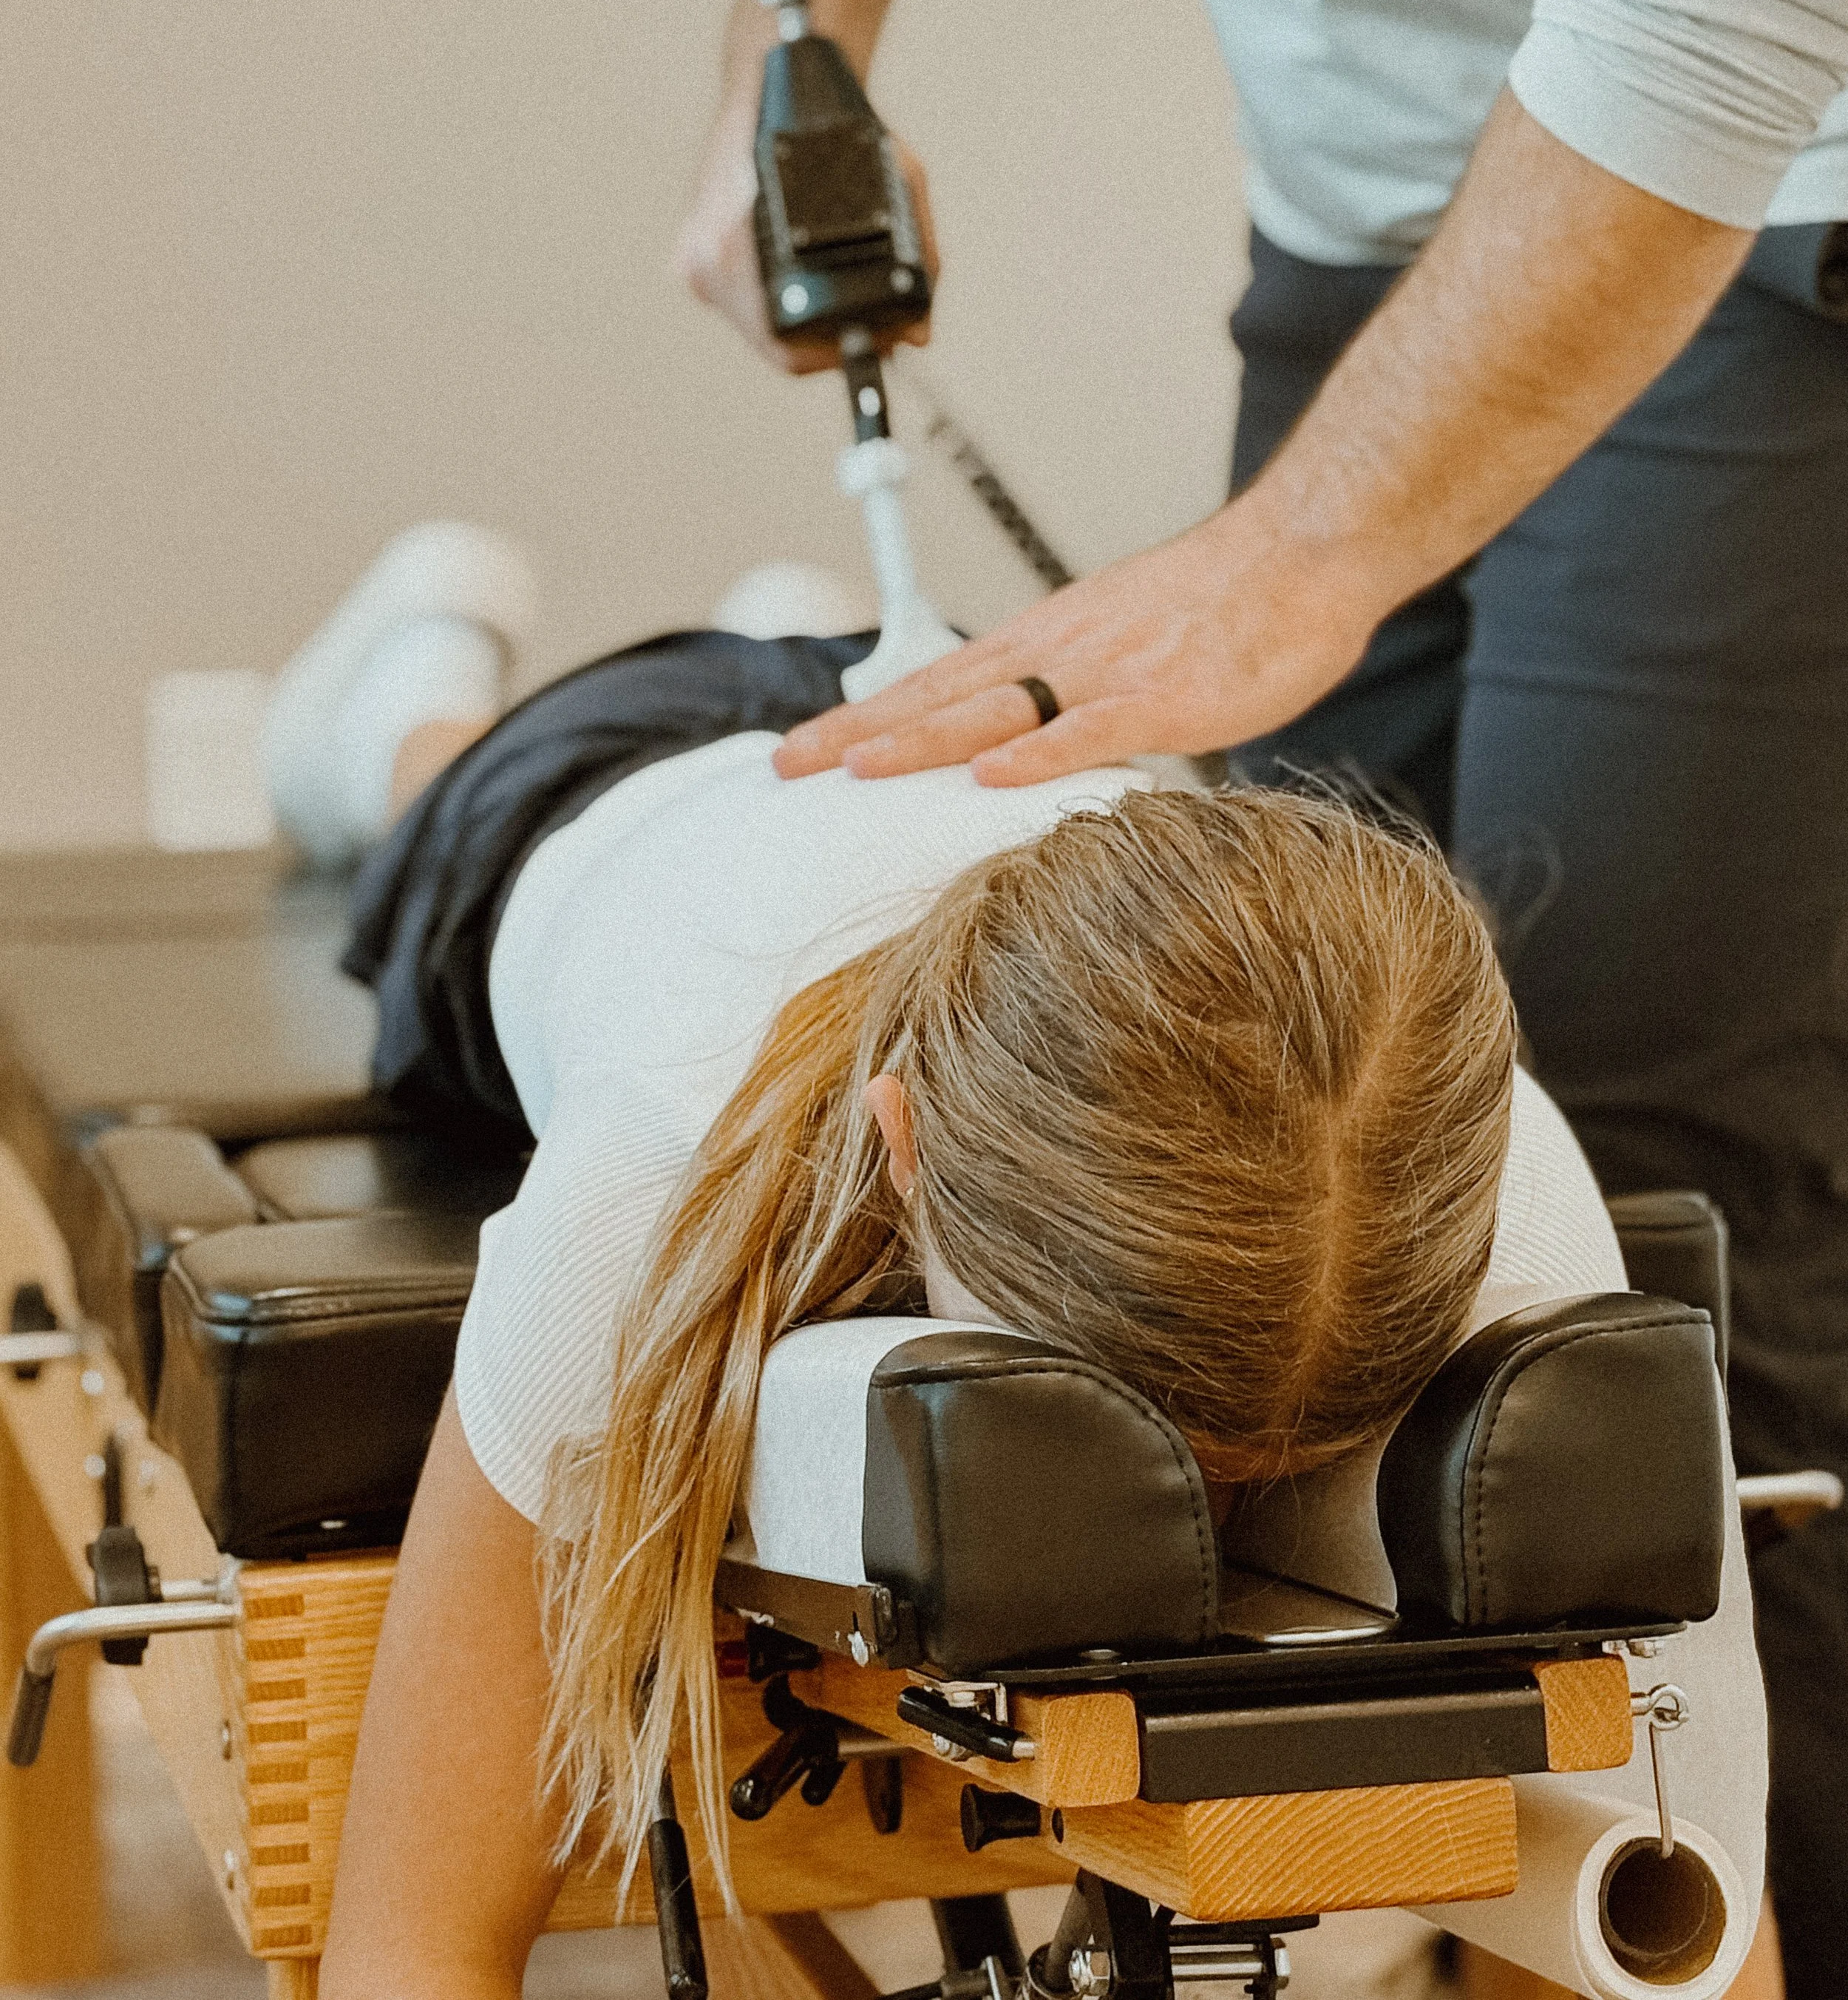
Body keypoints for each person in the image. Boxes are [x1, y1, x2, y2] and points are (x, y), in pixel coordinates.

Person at [674, 0, 1848, 1984]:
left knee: (1646, 1250)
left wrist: (1304, 552)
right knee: (1285, 1186)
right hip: (1379, 201)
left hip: (1772, 181)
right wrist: (808, 28)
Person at [265, 530, 1765, 1999]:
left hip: (982, 740)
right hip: (606, 791)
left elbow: (1696, 1899)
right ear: (902, 1147)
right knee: (425, 795)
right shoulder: (641, 1190)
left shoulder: (1492, 1169)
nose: (1210, 1520)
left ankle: (821, 613)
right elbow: (413, 1946)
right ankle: (403, 685)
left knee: (893, 697)